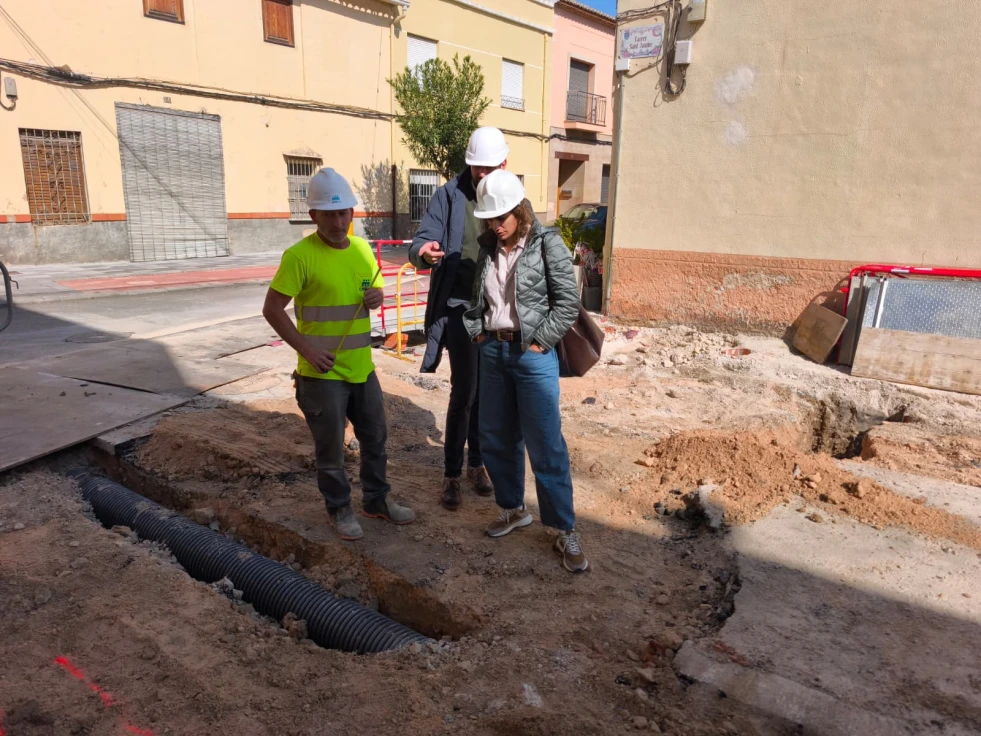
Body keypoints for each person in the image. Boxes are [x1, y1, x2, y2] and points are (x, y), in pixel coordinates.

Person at [262, 168, 415, 541]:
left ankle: (376, 500)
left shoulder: (363, 249)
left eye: (343, 212)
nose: (338, 221)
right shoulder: (299, 257)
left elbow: (373, 286)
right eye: (329, 214)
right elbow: (272, 309)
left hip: (362, 368)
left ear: (352, 213)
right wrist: (308, 350)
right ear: (313, 216)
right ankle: (339, 508)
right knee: (330, 449)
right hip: (322, 374)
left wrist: (378, 297)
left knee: (375, 439)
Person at [462, 170, 587, 573]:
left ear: (519, 210)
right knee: (496, 437)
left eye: (502, 217)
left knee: (546, 443)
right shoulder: (486, 246)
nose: (496, 225)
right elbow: (474, 298)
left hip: (532, 355)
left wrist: (539, 343)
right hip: (493, 354)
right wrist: (477, 333)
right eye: (490, 219)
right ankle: (513, 509)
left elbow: (568, 302)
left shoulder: (547, 242)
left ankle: (564, 529)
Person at [408, 127, 510, 511]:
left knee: (487, 394)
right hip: (459, 309)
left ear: (503, 163)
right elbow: (421, 240)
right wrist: (424, 252)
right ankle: (453, 473)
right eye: (476, 168)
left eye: (489, 168)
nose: (482, 175)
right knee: (465, 391)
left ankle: (477, 463)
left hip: (495, 311)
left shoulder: (508, 194)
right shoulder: (449, 195)